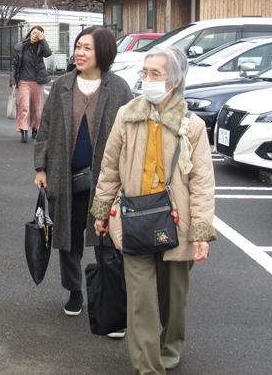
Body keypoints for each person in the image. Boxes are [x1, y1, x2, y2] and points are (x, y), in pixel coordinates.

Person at [91, 45, 216, 374]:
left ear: (173, 80)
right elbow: (109, 167)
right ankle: (148, 367)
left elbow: (202, 182)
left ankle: (170, 346)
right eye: (144, 72)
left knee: (174, 296)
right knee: (141, 300)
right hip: (133, 217)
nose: (147, 79)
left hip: (176, 221)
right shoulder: (126, 115)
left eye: (155, 73)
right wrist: (102, 211)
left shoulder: (192, 125)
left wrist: (201, 231)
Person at [33, 27, 133, 336]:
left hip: (107, 181)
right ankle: (74, 291)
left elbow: (131, 134)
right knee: (68, 237)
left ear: (103, 52)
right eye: (78, 47)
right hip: (66, 176)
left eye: (87, 48)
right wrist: (41, 167)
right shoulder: (63, 85)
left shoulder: (119, 89)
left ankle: (110, 304)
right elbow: (46, 128)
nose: (80, 52)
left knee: (108, 241)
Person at [10, 25, 52, 143]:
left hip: (38, 82)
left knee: (37, 108)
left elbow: (48, 53)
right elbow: (14, 65)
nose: (35, 36)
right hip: (23, 81)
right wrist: (13, 80)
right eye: (33, 33)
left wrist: (42, 40)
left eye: (38, 34)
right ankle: (23, 130)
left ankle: (35, 128)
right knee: (24, 105)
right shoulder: (21, 46)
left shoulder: (41, 47)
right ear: (30, 33)